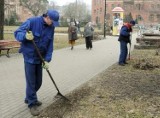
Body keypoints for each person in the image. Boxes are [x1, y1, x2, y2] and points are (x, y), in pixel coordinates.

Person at [14, 9, 59, 116]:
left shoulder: (51, 27)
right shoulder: (33, 22)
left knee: (38, 82)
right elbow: (17, 33)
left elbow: (50, 44)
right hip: (29, 57)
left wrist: (47, 60)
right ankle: (32, 104)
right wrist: (25, 36)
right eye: (52, 21)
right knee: (31, 82)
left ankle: (29, 97)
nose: (53, 24)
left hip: (40, 58)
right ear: (47, 17)